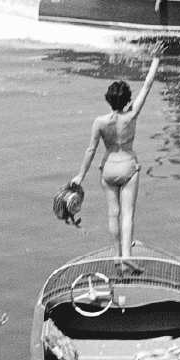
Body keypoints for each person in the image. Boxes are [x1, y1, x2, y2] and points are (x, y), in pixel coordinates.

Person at [69, 54, 163, 269]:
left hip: (108, 168)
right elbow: (147, 85)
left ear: (108, 100)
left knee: (113, 213)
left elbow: (91, 149)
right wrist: (156, 59)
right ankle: (127, 257)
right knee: (128, 214)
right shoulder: (131, 116)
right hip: (129, 165)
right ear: (128, 100)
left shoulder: (100, 122)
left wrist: (80, 176)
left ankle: (116, 256)